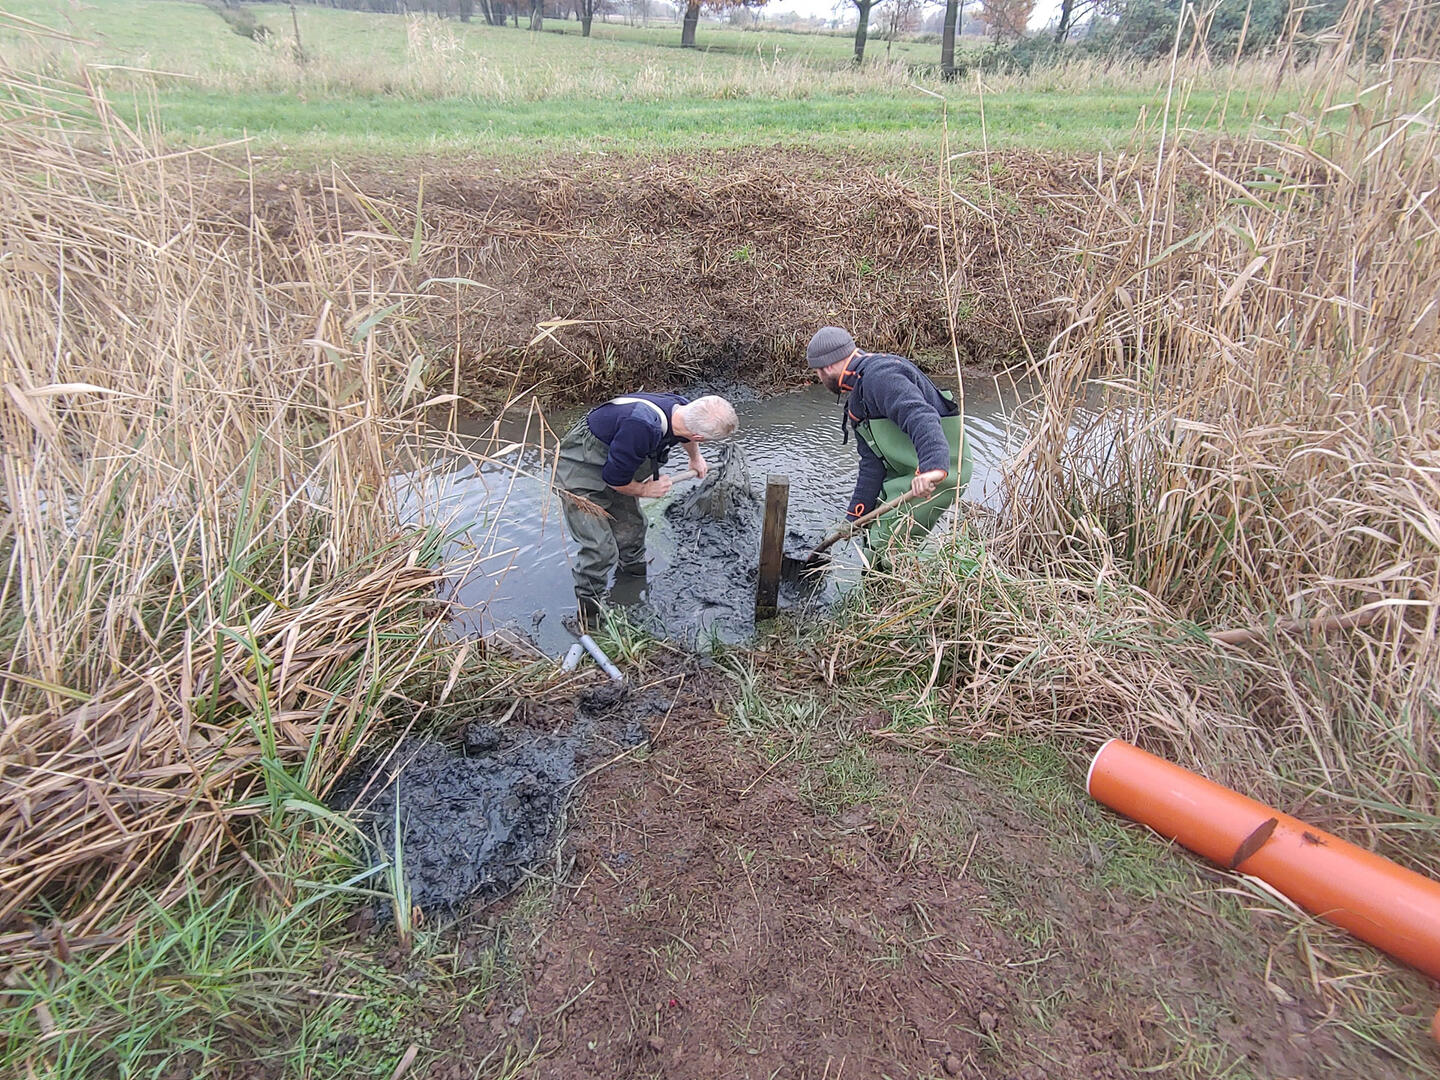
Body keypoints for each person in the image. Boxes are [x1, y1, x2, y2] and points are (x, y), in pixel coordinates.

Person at [555, 392, 739, 626]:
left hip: (617, 466)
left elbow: (686, 436)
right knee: (600, 549)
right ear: (698, 436)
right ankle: (588, 618)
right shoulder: (640, 427)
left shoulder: (684, 409)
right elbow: (614, 480)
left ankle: (632, 584)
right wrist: (645, 490)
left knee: (633, 529)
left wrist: (696, 458)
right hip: (581, 473)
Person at [806, 326, 971, 566]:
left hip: (941, 470)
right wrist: (854, 517)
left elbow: (921, 416)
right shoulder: (858, 398)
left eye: (817, 373)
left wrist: (932, 469)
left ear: (828, 367)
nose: (819, 379)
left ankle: (891, 584)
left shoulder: (881, 375)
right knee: (871, 531)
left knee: (886, 544)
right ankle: (879, 578)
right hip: (905, 470)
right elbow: (872, 464)